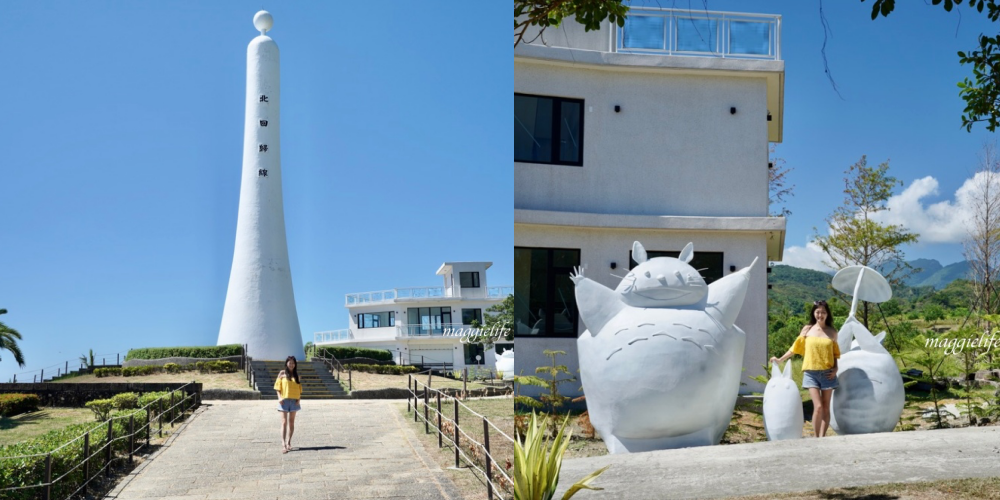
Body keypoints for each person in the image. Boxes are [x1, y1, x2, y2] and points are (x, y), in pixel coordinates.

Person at [770, 300, 841, 438]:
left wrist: (836, 368)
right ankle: (816, 438)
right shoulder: (807, 329)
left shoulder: (832, 332)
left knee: (826, 407)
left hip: (828, 373)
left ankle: (823, 437)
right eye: (818, 312)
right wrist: (780, 360)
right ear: (814, 313)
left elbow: (835, 354)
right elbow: (795, 348)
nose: (820, 315)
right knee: (818, 407)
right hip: (811, 373)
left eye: (823, 312)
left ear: (827, 314)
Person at [274, 355, 302, 453]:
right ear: (286, 363)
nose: (291, 365)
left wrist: (299, 399)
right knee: (284, 422)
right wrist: (279, 397)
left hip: (294, 401)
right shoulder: (282, 373)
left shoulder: (297, 375)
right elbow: (278, 387)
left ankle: (289, 442)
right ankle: (283, 444)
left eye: (293, 363)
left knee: (291, 423)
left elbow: (299, 389)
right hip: (284, 400)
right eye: (290, 362)